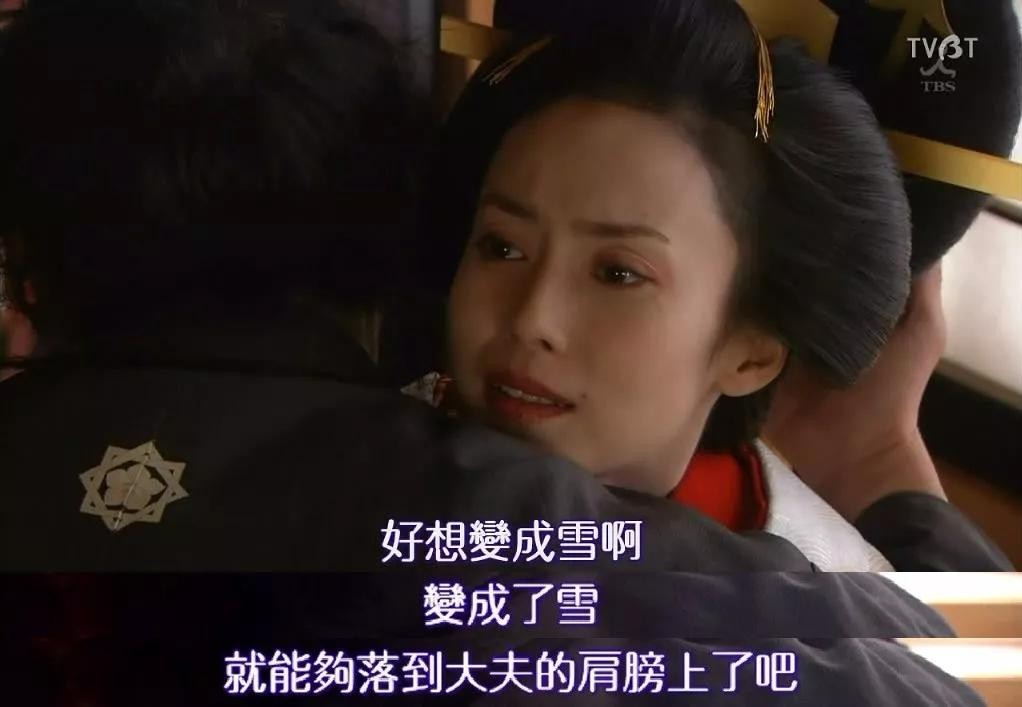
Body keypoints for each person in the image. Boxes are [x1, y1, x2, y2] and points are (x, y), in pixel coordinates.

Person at [0, 2, 1010, 704]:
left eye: (618, 271)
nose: (532, 318)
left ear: (753, 348)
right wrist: (883, 464)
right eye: (500, 245)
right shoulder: (454, 505)